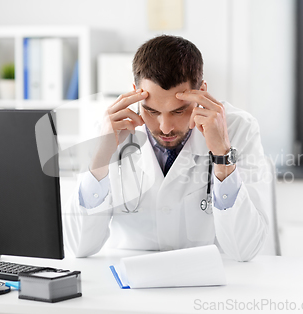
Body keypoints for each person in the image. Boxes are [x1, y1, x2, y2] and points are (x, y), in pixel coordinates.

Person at [64, 35, 269, 262]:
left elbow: (245, 250)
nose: (165, 127)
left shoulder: (239, 128)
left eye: (179, 111)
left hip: (207, 280)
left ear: (201, 92)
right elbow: (79, 246)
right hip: (131, 283)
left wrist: (222, 156)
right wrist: (100, 158)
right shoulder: (106, 130)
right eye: (151, 111)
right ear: (135, 92)